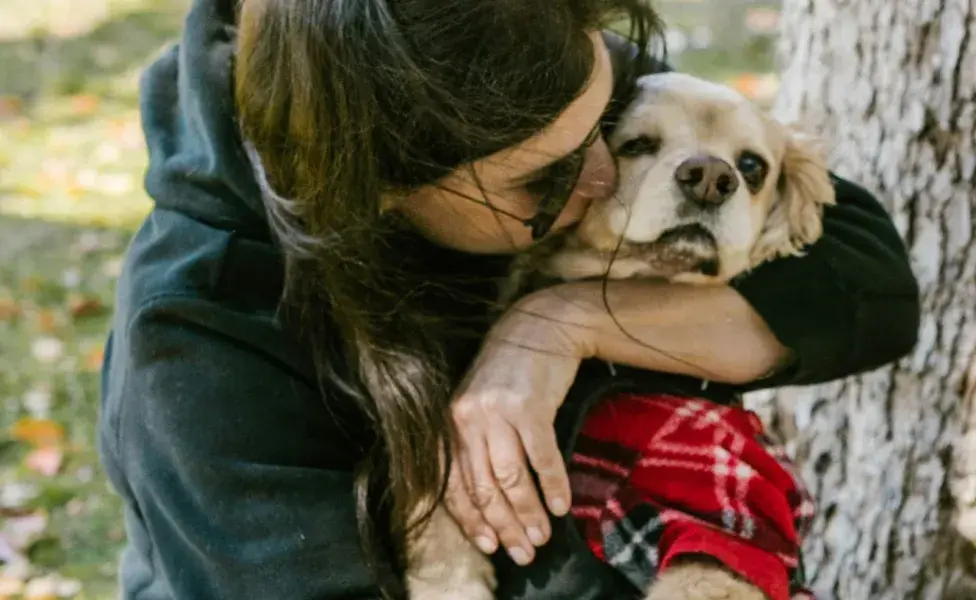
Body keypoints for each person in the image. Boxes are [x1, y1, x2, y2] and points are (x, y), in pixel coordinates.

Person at [97, 0, 920, 598]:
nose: (602, 181)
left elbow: (869, 281)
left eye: (606, 127)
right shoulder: (197, 348)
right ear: (385, 186)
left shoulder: (513, 47)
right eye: (549, 177)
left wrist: (556, 323)